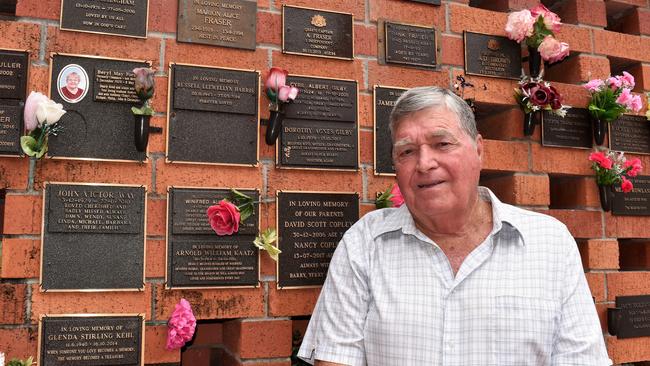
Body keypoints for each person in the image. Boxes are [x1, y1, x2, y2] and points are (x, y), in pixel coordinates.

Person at [297, 86, 610, 365]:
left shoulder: (550, 243)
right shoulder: (365, 243)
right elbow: (337, 359)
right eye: (407, 151)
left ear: (478, 150)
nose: (424, 163)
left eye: (442, 143)